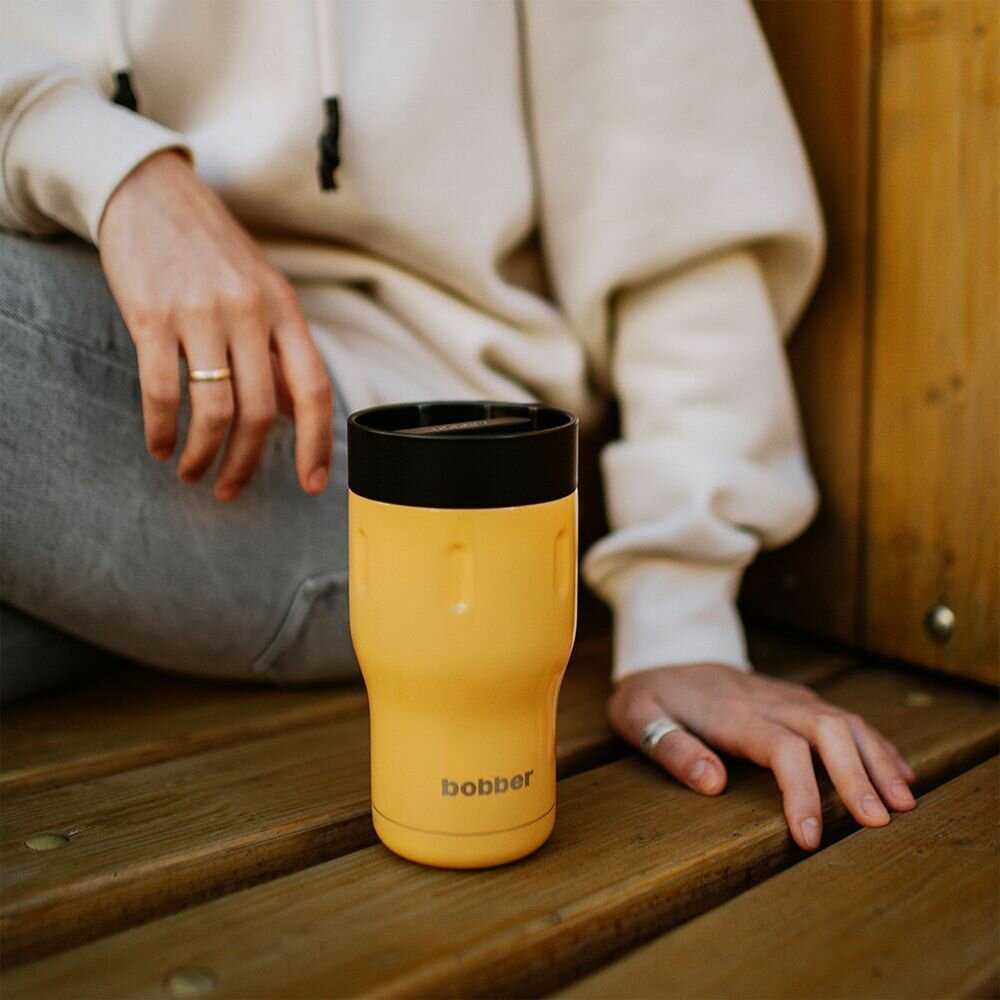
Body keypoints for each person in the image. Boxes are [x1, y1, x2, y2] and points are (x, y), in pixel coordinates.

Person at [0, 0, 916, 849]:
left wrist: (682, 618)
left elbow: (683, 214)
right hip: (106, 327)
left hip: (411, 459)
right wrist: (114, 172)